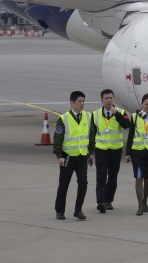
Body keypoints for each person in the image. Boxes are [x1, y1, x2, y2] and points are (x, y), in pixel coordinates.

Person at [90, 88, 132, 213]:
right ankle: (100, 201)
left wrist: (116, 114)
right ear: (102, 101)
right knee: (101, 175)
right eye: (106, 98)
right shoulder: (95, 114)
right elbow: (92, 133)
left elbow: (126, 125)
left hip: (115, 149)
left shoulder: (121, 112)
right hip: (101, 149)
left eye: (110, 98)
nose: (109, 101)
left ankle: (108, 200)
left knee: (113, 176)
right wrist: (91, 152)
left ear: (113, 99)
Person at [53, 90, 92, 220]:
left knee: (83, 182)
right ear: (72, 103)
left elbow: (91, 136)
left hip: (82, 156)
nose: (82, 104)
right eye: (79, 101)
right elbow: (58, 138)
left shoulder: (87, 116)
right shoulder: (63, 118)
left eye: (83, 101)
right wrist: (59, 156)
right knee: (63, 185)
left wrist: (91, 153)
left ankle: (78, 210)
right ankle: (60, 210)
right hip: (68, 157)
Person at [124, 93, 148, 216]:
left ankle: (145, 200)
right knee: (139, 177)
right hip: (137, 151)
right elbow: (130, 135)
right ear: (142, 104)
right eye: (146, 104)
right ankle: (140, 205)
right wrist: (128, 153)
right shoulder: (136, 116)